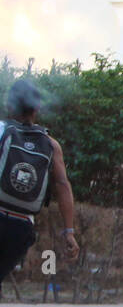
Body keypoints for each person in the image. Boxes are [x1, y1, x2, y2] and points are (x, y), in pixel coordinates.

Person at [0, 80, 79, 285]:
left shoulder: (1, 130)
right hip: (21, 227)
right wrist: (69, 232)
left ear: (9, 105)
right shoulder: (51, 145)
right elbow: (63, 186)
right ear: (37, 108)